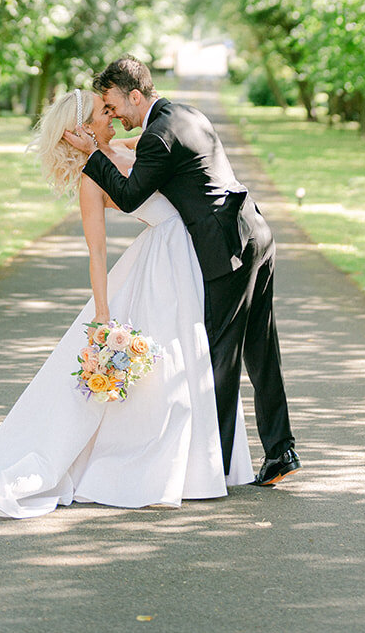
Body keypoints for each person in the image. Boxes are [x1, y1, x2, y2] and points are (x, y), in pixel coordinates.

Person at [0, 87, 253, 519]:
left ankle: (202, 467)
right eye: (105, 111)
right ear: (83, 127)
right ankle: (156, 471)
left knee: (190, 363)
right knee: (168, 366)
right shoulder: (91, 178)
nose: (115, 114)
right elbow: (97, 252)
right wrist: (103, 314)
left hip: (184, 256)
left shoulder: (133, 145)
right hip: (161, 264)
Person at [64, 56, 299, 488]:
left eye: (114, 103)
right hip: (255, 232)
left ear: (135, 95)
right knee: (261, 347)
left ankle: (217, 465)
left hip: (226, 250)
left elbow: (131, 198)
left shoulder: (156, 138)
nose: (111, 112)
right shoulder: (184, 114)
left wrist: (92, 154)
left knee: (220, 356)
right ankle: (280, 450)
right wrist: (111, 147)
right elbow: (153, 155)